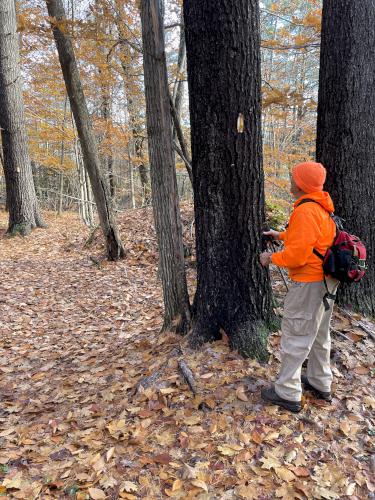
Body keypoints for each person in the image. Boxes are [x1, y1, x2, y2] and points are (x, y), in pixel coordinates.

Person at [259, 161, 338, 413]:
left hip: (310, 283)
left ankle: (288, 393)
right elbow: (311, 238)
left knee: (296, 335)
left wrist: (271, 258)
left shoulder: (305, 211)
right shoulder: (319, 206)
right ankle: (319, 380)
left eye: (293, 178)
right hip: (326, 282)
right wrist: (279, 236)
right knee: (319, 334)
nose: (291, 181)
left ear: (301, 184)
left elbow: (297, 257)